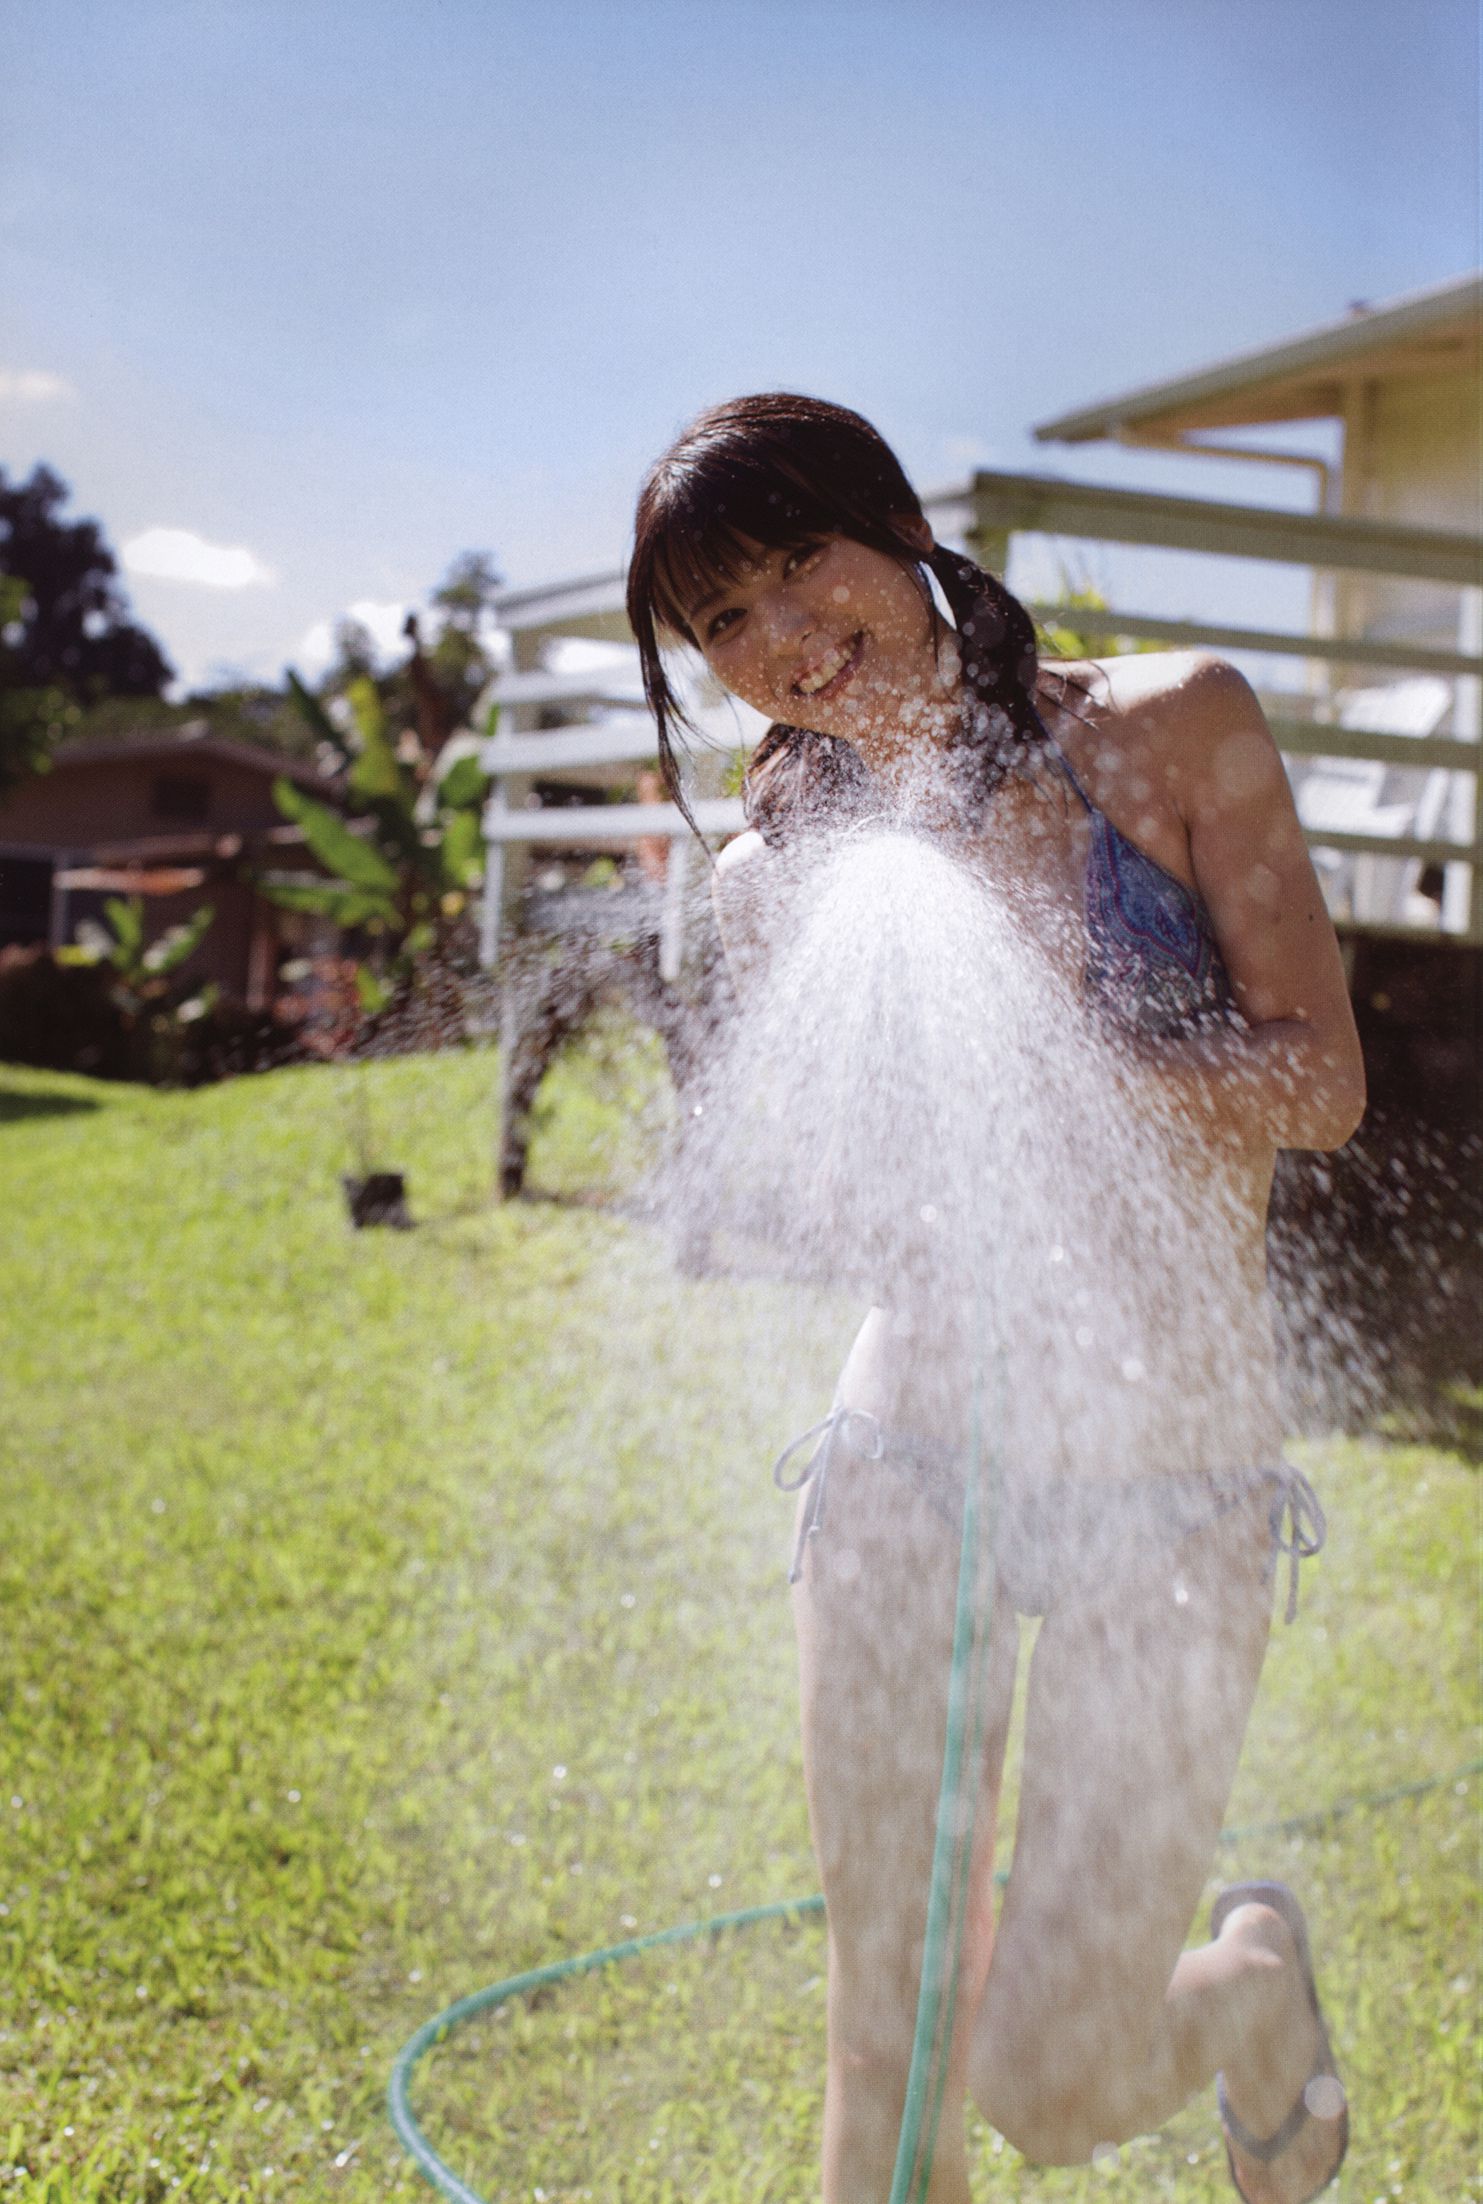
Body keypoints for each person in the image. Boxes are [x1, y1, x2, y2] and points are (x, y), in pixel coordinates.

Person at [625, 393, 1364, 2204]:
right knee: (886, 2037)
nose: (786, 638)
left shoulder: (1175, 729)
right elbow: (859, 1207)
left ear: (902, 536)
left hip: (1175, 1482)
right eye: (726, 621)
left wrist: (1069, 1065)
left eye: (805, 564)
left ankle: (1250, 1990)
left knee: (1052, 2079)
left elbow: (1322, 1081)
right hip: (910, 1466)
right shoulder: (772, 878)